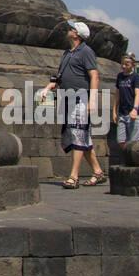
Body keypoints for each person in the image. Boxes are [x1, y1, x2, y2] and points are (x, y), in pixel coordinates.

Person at [37, 20, 106, 189]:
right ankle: (98, 172)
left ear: (76, 34)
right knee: (82, 136)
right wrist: (48, 87)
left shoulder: (86, 51)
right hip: (67, 98)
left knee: (77, 134)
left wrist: (92, 100)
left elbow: (94, 76)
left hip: (81, 98)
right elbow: (59, 77)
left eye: (70, 28)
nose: (67, 30)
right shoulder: (67, 53)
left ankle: (73, 176)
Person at [113, 52, 139, 145]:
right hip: (122, 113)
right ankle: (127, 156)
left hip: (134, 113)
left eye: (127, 64)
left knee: (133, 142)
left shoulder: (136, 77)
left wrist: (135, 109)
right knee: (120, 140)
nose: (124, 66)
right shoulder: (120, 76)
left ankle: (131, 159)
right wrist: (114, 111)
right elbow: (117, 94)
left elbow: (138, 94)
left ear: (133, 65)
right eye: (122, 63)